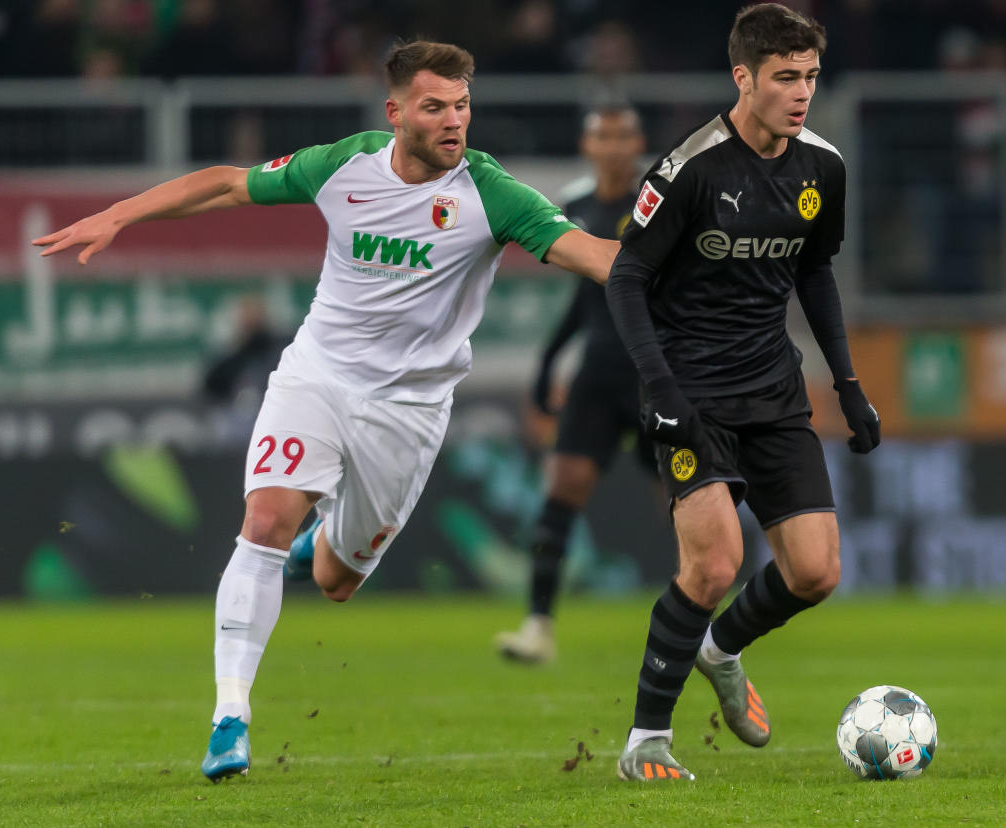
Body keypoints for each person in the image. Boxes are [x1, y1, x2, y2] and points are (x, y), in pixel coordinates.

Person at [32, 40, 620, 783]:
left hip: (407, 412)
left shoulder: (491, 194)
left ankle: (324, 550)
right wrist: (119, 215)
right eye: (435, 106)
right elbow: (225, 184)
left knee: (338, 581)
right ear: (396, 111)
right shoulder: (345, 165)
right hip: (317, 377)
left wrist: (683, 267)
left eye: (462, 106)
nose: (453, 121)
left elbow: (595, 257)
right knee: (263, 522)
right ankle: (229, 718)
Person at [604, 3, 881, 781]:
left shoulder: (821, 166)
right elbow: (626, 276)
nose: (801, 93)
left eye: (810, 77)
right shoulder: (692, 166)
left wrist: (848, 386)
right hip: (688, 392)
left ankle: (720, 650)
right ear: (743, 78)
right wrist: (657, 385)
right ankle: (644, 743)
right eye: (785, 78)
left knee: (815, 572)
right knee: (713, 564)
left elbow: (814, 273)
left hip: (772, 389)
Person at [493, 104, 652, 663]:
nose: (611, 145)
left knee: (692, 504)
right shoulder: (577, 207)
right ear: (587, 146)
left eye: (621, 135)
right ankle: (538, 626)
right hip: (598, 373)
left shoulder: (658, 205)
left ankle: (712, 631)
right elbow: (588, 299)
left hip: (656, 372)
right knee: (560, 493)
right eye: (601, 135)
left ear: (639, 145)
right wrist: (549, 361)